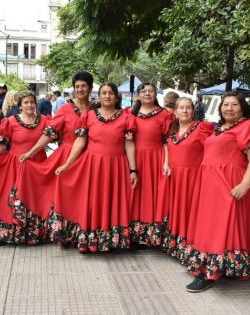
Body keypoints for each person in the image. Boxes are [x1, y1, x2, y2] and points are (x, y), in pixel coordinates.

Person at [184, 92, 250, 292]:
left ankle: (210, 273)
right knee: (211, 226)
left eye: (234, 104)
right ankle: (221, 267)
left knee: (222, 227)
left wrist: (245, 185)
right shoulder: (219, 128)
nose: (229, 108)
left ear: (242, 108)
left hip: (230, 184)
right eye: (225, 104)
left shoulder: (249, 127)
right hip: (210, 185)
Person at [50, 82, 137, 253]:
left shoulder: (126, 117)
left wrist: (133, 170)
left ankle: (107, 240)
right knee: (91, 202)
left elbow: (129, 144)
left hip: (115, 167)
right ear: (99, 96)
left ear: (116, 96)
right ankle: (88, 239)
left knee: (110, 201)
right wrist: (67, 164)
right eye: (103, 93)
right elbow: (80, 141)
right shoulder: (88, 116)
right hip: (92, 166)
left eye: (110, 93)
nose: (107, 96)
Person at [16, 71, 94, 242]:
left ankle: (84, 233)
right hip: (67, 156)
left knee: (87, 196)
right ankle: (66, 234)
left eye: (84, 86)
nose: (80, 89)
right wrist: (31, 152)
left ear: (90, 88)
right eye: (77, 86)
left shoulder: (95, 108)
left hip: (90, 158)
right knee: (68, 196)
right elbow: (49, 133)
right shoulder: (65, 108)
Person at [0, 91, 50, 246]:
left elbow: (55, 136)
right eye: (25, 103)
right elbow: (1, 143)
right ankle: (6, 235)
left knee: (35, 200)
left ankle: (34, 234)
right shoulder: (11, 121)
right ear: (20, 106)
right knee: (11, 201)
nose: (29, 105)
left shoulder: (45, 121)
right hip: (15, 166)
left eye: (32, 102)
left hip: (38, 166)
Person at [162, 97, 213, 262]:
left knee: (190, 210)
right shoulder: (172, 131)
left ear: (193, 111)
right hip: (174, 177)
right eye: (181, 108)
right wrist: (166, 163)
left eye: (188, 108)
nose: (184, 111)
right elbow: (166, 147)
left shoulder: (201, 128)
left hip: (192, 178)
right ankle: (176, 246)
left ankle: (189, 247)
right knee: (176, 209)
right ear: (175, 112)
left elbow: (212, 151)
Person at [129, 82, 173, 248]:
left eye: (151, 91)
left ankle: (149, 236)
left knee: (150, 195)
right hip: (134, 158)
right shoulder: (130, 114)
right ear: (138, 95)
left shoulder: (165, 115)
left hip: (155, 159)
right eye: (144, 91)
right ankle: (133, 234)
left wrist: (167, 162)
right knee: (134, 194)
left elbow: (167, 141)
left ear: (156, 94)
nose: (147, 94)